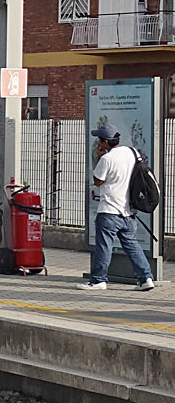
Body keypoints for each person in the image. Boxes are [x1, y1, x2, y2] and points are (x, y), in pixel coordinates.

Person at [78, 124, 156, 291]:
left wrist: (99, 157)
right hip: (128, 211)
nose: (98, 143)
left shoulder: (107, 159)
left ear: (106, 142)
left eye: (100, 140)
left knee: (104, 247)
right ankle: (146, 278)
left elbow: (98, 181)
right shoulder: (131, 152)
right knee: (132, 246)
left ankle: (98, 280)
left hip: (109, 210)